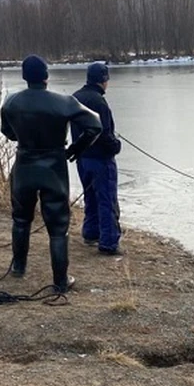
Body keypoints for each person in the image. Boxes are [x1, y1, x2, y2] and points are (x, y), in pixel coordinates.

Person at [0, 55, 102, 294]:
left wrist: (22, 138)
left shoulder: (11, 102)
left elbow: (7, 132)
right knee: (58, 228)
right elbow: (95, 124)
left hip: (24, 164)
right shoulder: (63, 102)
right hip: (54, 167)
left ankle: (18, 267)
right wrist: (76, 149)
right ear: (46, 76)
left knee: (21, 219)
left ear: (24, 76)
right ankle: (60, 280)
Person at [72, 62, 122, 255]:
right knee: (107, 199)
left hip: (82, 159)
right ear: (103, 80)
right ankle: (109, 243)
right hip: (101, 159)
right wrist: (116, 146)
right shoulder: (99, 102)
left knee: (90, 196)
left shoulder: (76, 97)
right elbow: (104, 133)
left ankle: (91, 233)